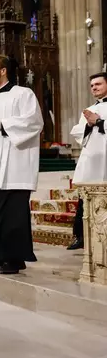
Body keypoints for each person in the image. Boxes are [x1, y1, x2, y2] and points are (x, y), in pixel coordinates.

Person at [0, 54, 43, 274]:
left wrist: (2, 125)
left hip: (16, 162)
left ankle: (14, 259)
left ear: (3, 71)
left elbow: (34, 122)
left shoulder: (24, 94)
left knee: (13, 214)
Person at [68, 72, 107, 250]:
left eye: (98, 84)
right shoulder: (89, 108)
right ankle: (80, 236)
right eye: (92, 86)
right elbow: (77, 132)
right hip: (91, 159)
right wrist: (88, 124)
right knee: (84, 199)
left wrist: (99, 122)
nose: (94, 88)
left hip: (104, 159)